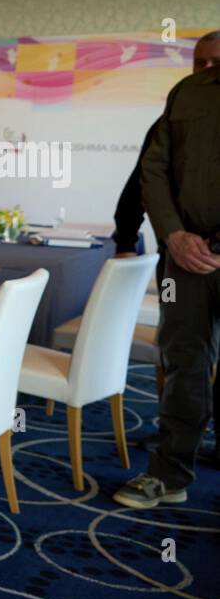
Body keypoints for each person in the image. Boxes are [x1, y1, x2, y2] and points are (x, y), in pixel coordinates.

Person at [113, 32, 220, 508]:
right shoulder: (185, 93)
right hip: (182, 260)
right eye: (201, 60)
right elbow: (151, 171)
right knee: (182, 363)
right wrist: (174, 234)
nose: (207, 67)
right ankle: (169, 472)